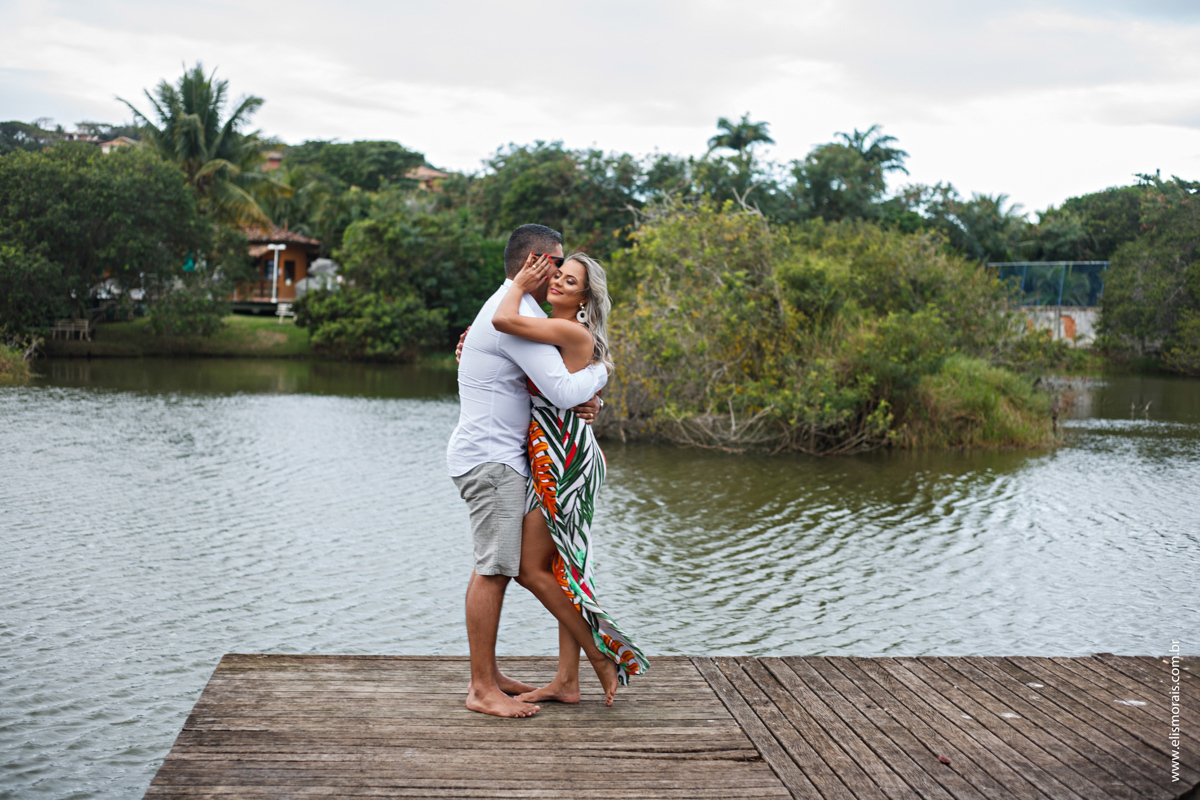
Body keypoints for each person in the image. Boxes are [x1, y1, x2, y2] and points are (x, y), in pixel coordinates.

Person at [446, 224, 606, 718]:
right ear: (535, 262)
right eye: (554, 264)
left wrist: (591, 397)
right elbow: (563, 391)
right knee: (494, 570)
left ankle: (490, 675)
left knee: (494, 566)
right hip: (493, 461)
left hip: (498, 458)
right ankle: (481, 689)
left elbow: (550, 385)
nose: (558, 273)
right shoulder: (510, 313)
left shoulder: (516, 311)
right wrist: (603, 372)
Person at [493, 251, 649, 707]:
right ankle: (567, 680)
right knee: (565, 567)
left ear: (584, 297)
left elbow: (502, 320)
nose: (557, 282)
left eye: (569, 280)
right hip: (563, 449)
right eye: (556, 275)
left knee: (530, 568)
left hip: (564, 457)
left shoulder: (566, 329)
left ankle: (600, 655)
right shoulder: (559, 330)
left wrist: (519, 282)